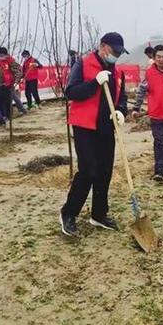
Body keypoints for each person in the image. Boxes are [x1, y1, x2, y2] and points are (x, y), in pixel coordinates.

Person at [60, 32, 128, 237]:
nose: (116, 56)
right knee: (88, 170)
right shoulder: (83, 64)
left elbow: (121, 96)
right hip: (85, 126)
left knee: (105, 171)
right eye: (114, 51)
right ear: (103, 47)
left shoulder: (117, 71)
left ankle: (99, 214)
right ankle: (68, 213)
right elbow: (70, 92)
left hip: (106, 127)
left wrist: (120, 111)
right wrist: (94, 83)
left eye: (119, 53)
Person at [133, 45, 163, 181]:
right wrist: (136, 108)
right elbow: (142, 90)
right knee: (158, 141)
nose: (161, 59)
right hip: (156, 113)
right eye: (158, 57)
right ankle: (158, 170)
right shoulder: (149, 73)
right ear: (154, 58)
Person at [0, 47, 23, 119]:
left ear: (6, 54)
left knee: (8, 101)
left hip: (8, 85)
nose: (0, 57)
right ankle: (2, 116)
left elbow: (19, 71)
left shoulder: (11, 61)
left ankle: (8, 116)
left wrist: (16, 82)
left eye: (2, 55)